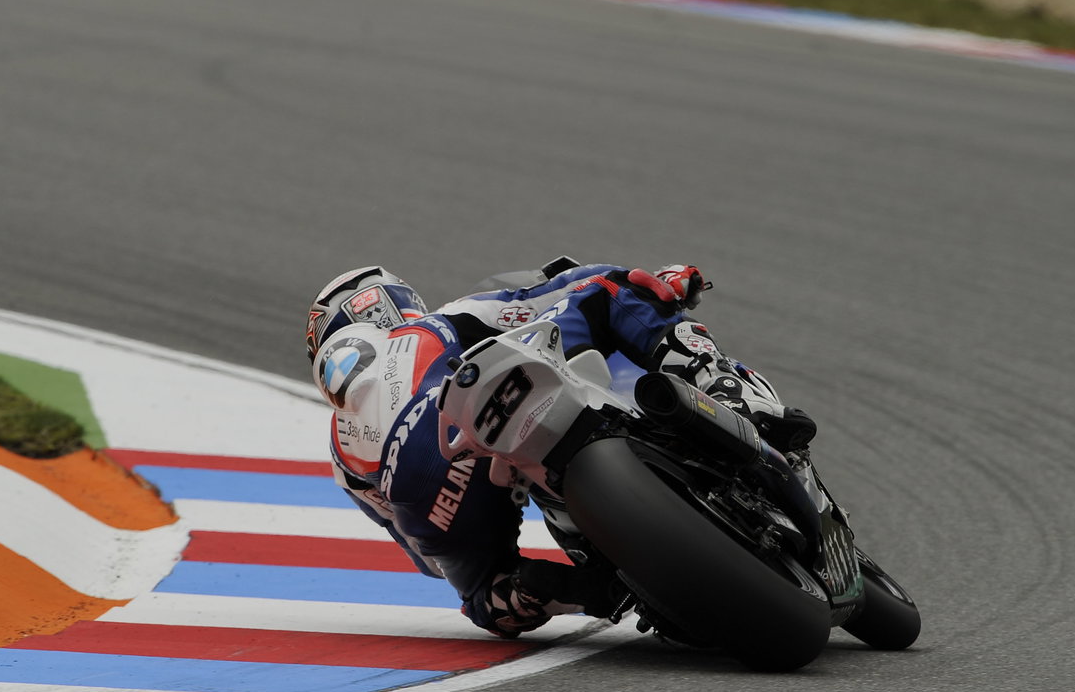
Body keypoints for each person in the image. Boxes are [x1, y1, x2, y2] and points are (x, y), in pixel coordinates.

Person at [304, 257, 817, 638]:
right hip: (490, 411)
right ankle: (724, 386)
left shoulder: (343, 456)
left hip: (434, 499)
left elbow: (428, 560)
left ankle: (573, 586)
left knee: (489, 599)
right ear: (397, 303)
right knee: (611, 291)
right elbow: (565, 289)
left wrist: (494, 589)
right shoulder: (436, 324)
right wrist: (661, 283)